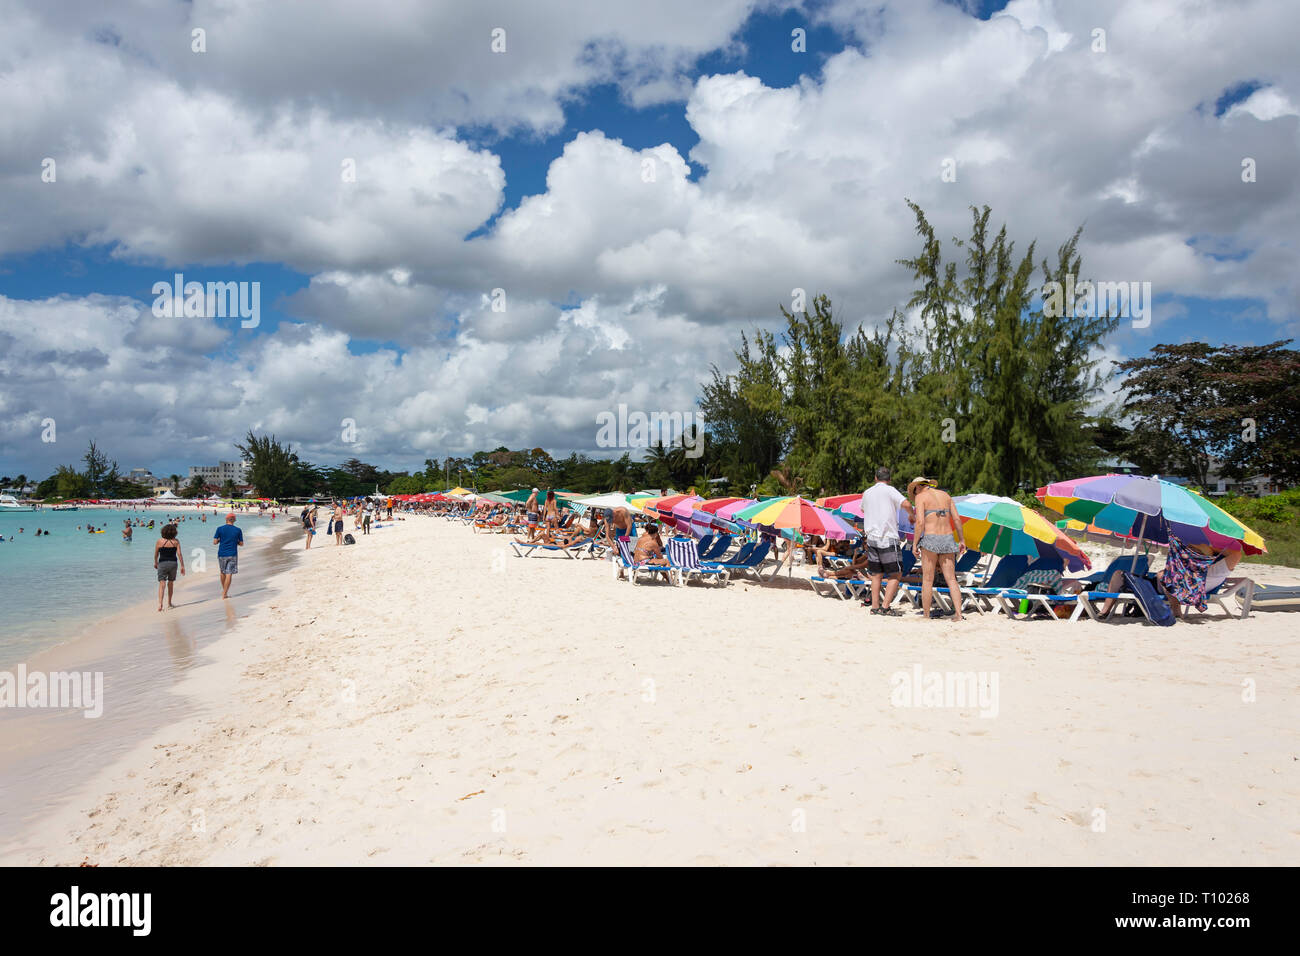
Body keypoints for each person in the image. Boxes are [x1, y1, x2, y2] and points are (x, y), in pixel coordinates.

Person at [908, 476, 966, 621]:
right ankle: (958, 614)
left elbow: (920, 522)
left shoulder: (921, 497)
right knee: (951, 579)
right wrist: (962, 539)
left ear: (917, 487)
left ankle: (926, 615)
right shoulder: (946, 495)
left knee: (927, 579)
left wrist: (915, 544)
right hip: (947, 538)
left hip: (931, 538)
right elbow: (957, 519)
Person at [860, 467, 916, 615]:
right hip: (887, 537)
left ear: (875, 478)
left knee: (876, 574)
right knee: (896, 574)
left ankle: (874, 607)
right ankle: (885, 607)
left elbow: (863, 510)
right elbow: (907, 504)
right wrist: (911, 515)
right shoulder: (889, 490)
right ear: (889, 479)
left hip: (871, 538)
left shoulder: (867, 493)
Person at [153, 523, 185, 611]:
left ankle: (160, 604)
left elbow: (156, 554)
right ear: (174, 532)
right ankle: (169, 603)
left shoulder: (159, 541)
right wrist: (182, 566)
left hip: (162, 564)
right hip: (173, 564)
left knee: (162, 584)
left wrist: (155, 563)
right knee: (170, 583)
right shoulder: (176, 541)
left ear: (163, 532)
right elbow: (179, 554)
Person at [213, 513, 243, 599]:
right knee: (229, 573)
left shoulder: (219, 529)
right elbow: (241, 544)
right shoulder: (238, 530)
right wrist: (235, 541)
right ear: (234, 520)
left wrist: (219, 540)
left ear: (226, 519)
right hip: (232, 554)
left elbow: (214, 542)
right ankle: (224, 593)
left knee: (222, 572)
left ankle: (224, 592)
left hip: (222, 554)